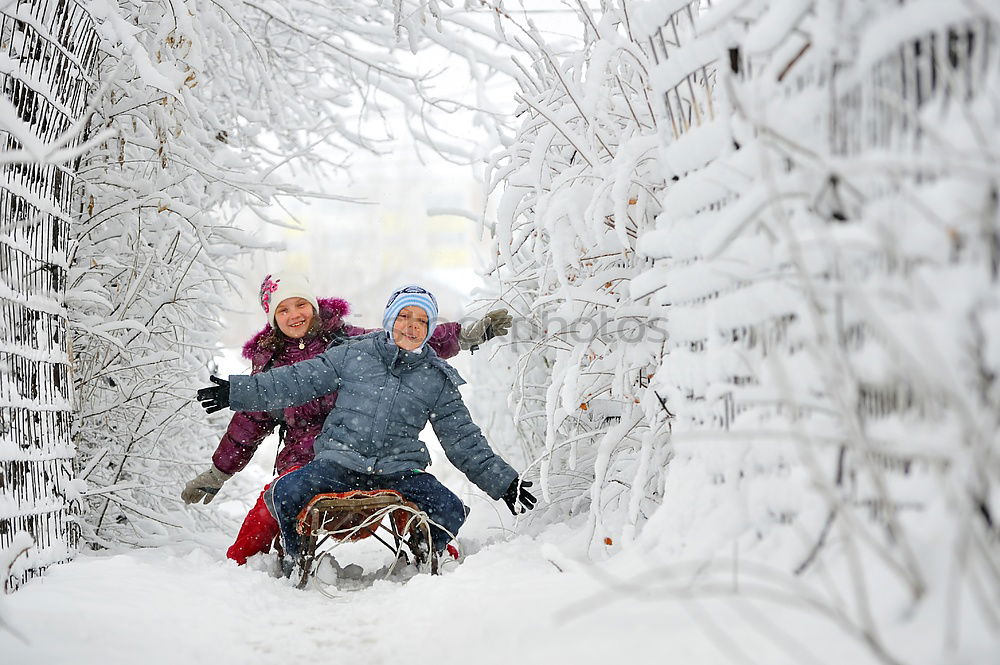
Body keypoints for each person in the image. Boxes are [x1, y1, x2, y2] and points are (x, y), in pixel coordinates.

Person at [196, 284, 536, 568]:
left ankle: (425, 549)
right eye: (403, 316)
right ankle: (294, 551)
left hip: (399, 469)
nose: (411, 326)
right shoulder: (355, 355)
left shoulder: (435, 378)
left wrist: (504, 482)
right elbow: (295, 380)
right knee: (282, 493)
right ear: (389, 320)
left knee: (450, 507)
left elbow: (463, 438)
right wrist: (237, 391)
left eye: (421, 320)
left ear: (430, 329)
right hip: (337, 463)